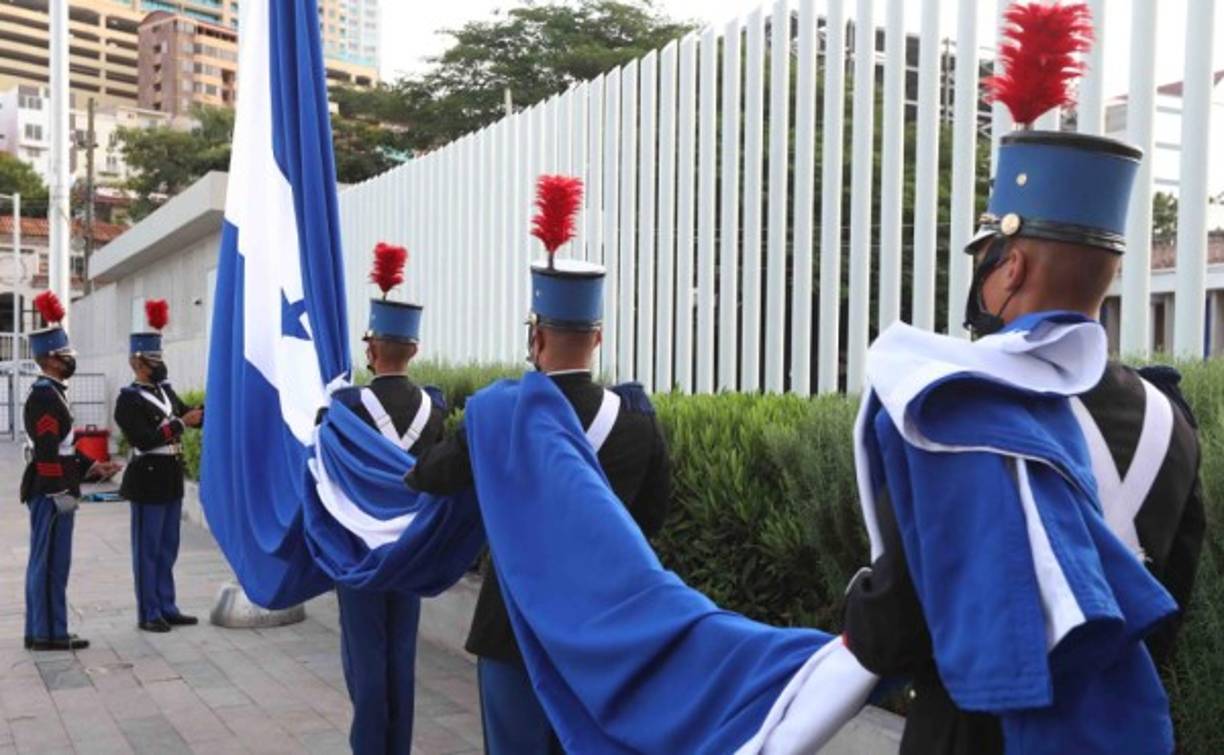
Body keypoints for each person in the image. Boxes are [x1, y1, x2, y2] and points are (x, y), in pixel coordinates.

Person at [841, 6, 1202, 752]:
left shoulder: (952, 403)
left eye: (986, 260)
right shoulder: (1171, 420)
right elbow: (1166, 604)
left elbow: (895, 629)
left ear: (1012, 266)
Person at [406, 176, 672, 755]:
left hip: (514, 627)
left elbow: (430, 476)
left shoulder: (499, 415)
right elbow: (650, 519)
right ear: (597, 337)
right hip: (601, 630)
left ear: (535, 334)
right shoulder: (637, 422)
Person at [321, 242, 447, 755]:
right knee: (401, 656)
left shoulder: (345, 406)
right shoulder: (435, 408)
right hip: (411, 548)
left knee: (365, 658)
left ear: (371, 349)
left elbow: (324, 473)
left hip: (360, 552)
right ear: (413, 349)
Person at [22, 292, 121, 651]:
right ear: (51, 359)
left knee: (53, 562)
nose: (70, 360)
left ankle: (49, 630)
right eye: (65, 355)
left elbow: (64, 446)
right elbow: (47, 451)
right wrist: (58, 491)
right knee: (48, 562)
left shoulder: (54, 392)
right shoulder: (45, 395)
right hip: (50, 490)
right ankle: (45, 633)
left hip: (57, 486)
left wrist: (92, 465)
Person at [114, 300, 203, 633]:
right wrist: (181, 423)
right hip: (148, 477)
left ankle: (167, 605)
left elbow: (187, 413)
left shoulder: (165, 392)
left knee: (168, 547)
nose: (160, 365)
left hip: (170, 476)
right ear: (138, 363)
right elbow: (144, 439)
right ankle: (149, 611)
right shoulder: (128, 400)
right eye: (154, 360)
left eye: (160, 358)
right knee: (148, 550)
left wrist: (206, 411)